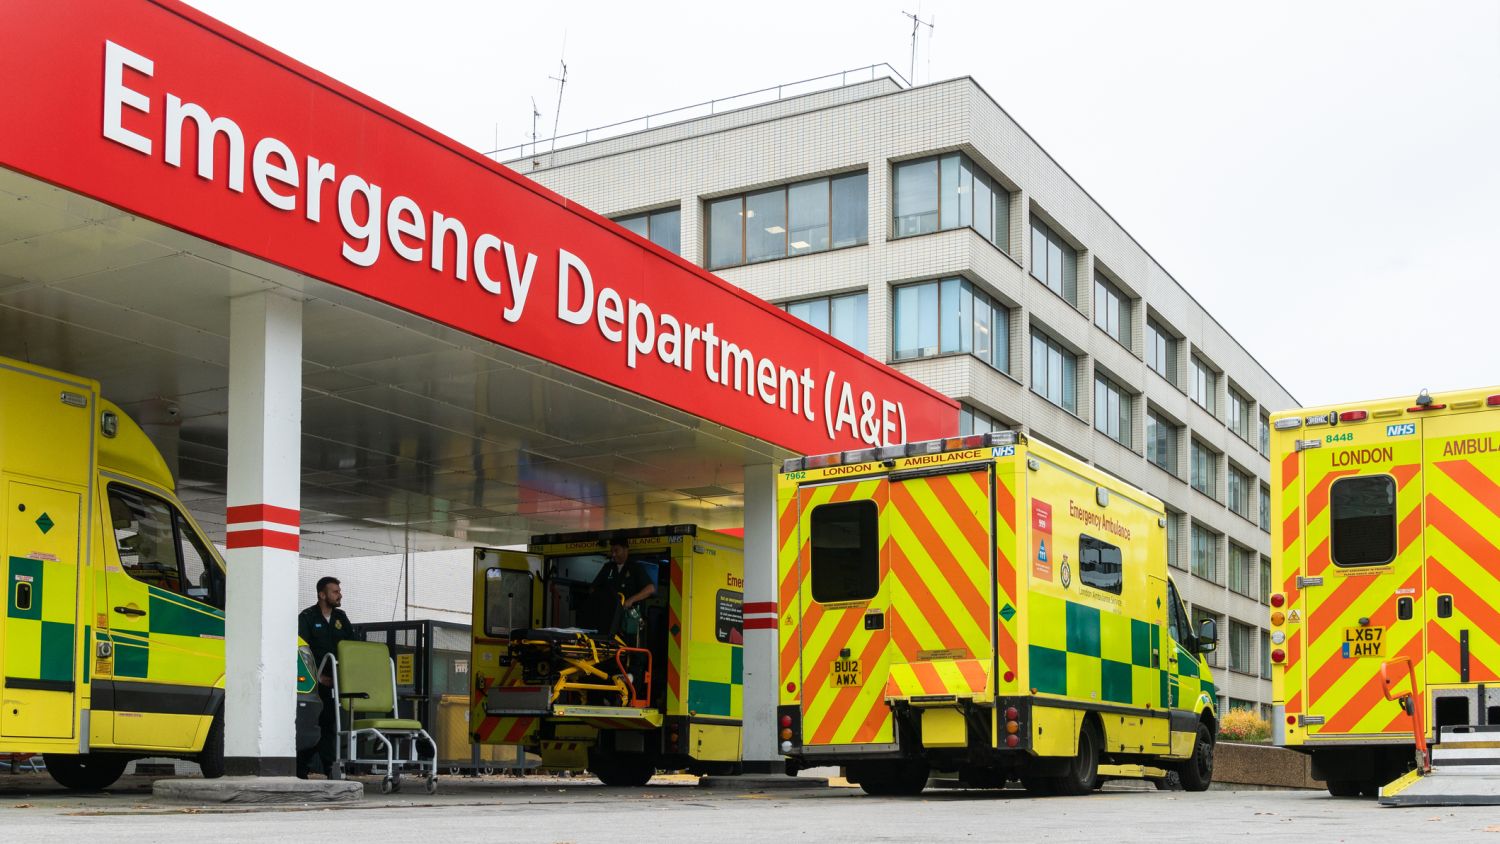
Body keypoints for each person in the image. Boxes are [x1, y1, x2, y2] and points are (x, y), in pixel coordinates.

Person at [296, 576, 362, 779]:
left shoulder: (341, 617)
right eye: (335, 591)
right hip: (315, 685)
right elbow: (301, 650)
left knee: (331, 725)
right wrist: (318, 678)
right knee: (316, 725)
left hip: (338, 683)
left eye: (339, 591)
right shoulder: (307, 617)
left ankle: (328, 768)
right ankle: (303, 767)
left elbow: (352, 647)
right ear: (322, 594)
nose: (339, 594)